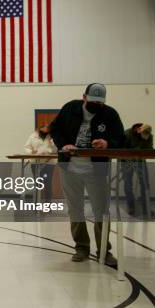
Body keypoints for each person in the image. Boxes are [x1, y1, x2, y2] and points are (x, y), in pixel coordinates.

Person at [49, 83, 124, 266]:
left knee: (101, 211)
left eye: (100, 103)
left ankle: (104, 251)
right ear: (84, 97)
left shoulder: (110, 114)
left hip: (96, 170)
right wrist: (63, 145)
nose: (96, 106)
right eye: (92, 102)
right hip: (70, 168)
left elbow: (121, 138)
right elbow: (55, 128)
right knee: (75, 209)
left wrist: (107, 144)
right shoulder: (70, 108)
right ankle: (81, 247)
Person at [122, 123, 153, 216]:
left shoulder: (149, 136)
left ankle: (146, 208)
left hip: (140, 161)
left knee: (145, 184)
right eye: (143, 134)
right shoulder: (127, 134)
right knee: (127, 183)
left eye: (147, 135)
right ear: (139, 130)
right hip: (126, 161)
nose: (145, 137)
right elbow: (121, 149)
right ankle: (131, 207)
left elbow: (150, 149)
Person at [23, 124, 57, 203]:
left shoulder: (52, 136)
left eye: (47, 128)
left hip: (49, 162)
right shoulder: (33, 136)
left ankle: (48, 205)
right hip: (35, 162)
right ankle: (36, 203)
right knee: (38, 183)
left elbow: (56, 149)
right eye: (44, 127)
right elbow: (26, 147)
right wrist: (32, 151)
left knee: (48, 183)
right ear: (40, 128)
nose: (46, 129)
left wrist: (51, 144)